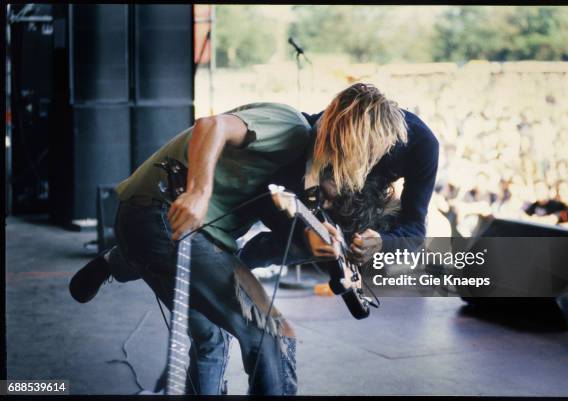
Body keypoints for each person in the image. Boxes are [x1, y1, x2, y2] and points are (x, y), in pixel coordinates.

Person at [69, 83, 439, 394]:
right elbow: (211, 125)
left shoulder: (301, 173)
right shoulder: (291, 126)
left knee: (211, 339)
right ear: (354, 138)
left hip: (167, 226)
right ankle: (123, 258)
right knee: (273, 336)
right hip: (164, 216)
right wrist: (198, 190)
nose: (365, 168)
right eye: (368, 156)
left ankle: (117, 260)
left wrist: (332, 243)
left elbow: (274, 237)